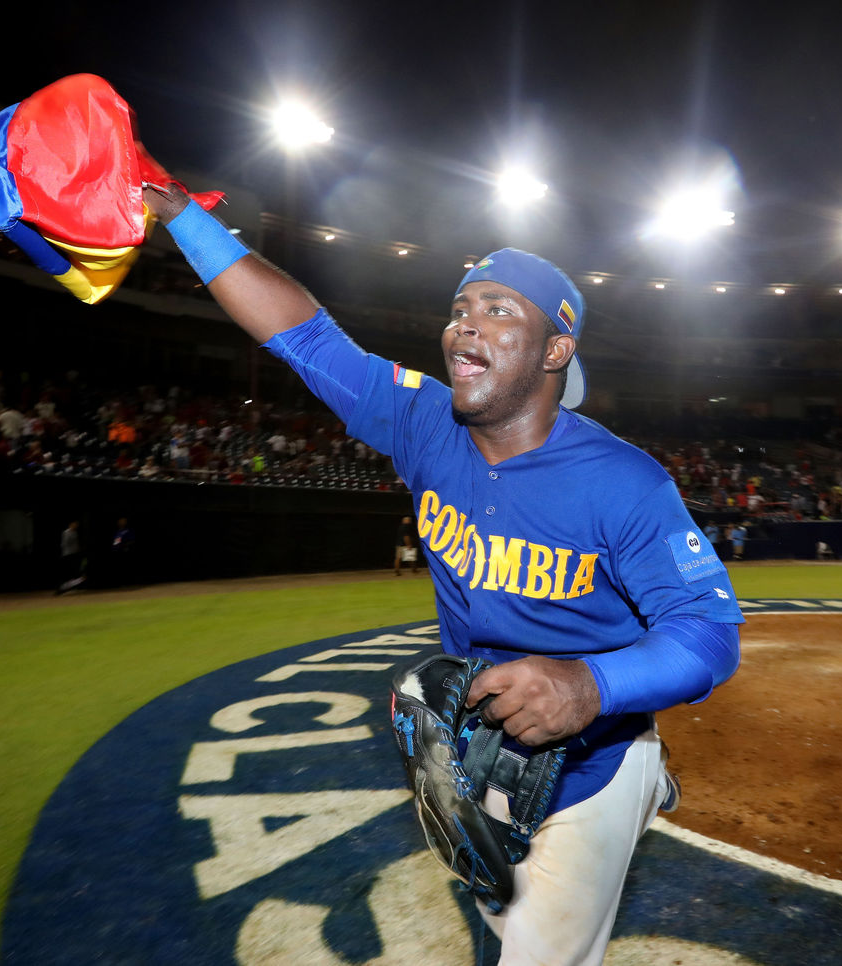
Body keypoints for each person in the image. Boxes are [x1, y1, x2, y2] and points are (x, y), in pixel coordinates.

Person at [143, 182, 743, 964]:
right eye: (463, 305)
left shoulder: (624, 482)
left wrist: (589, 688)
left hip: (591, 756)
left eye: (500, 309)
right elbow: (304, 338)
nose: (466, 321)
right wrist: (178, 212)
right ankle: (640, 789)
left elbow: (709, 635)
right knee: (495, 909)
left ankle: (637, 779)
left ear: (556, 351)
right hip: (480, 739)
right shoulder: (425, 423)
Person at [55, 519, 86, 595]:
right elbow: (64, 544)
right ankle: (61, 589)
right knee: (66, 572)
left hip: (74, 554)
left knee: (74, 572)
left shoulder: (75, 533)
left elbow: (76, 544)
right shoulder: (66, 532)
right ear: (71, 524)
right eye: (74, 524)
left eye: (76, 525)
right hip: (67, 555)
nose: (76, 526)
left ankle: (72, 587)